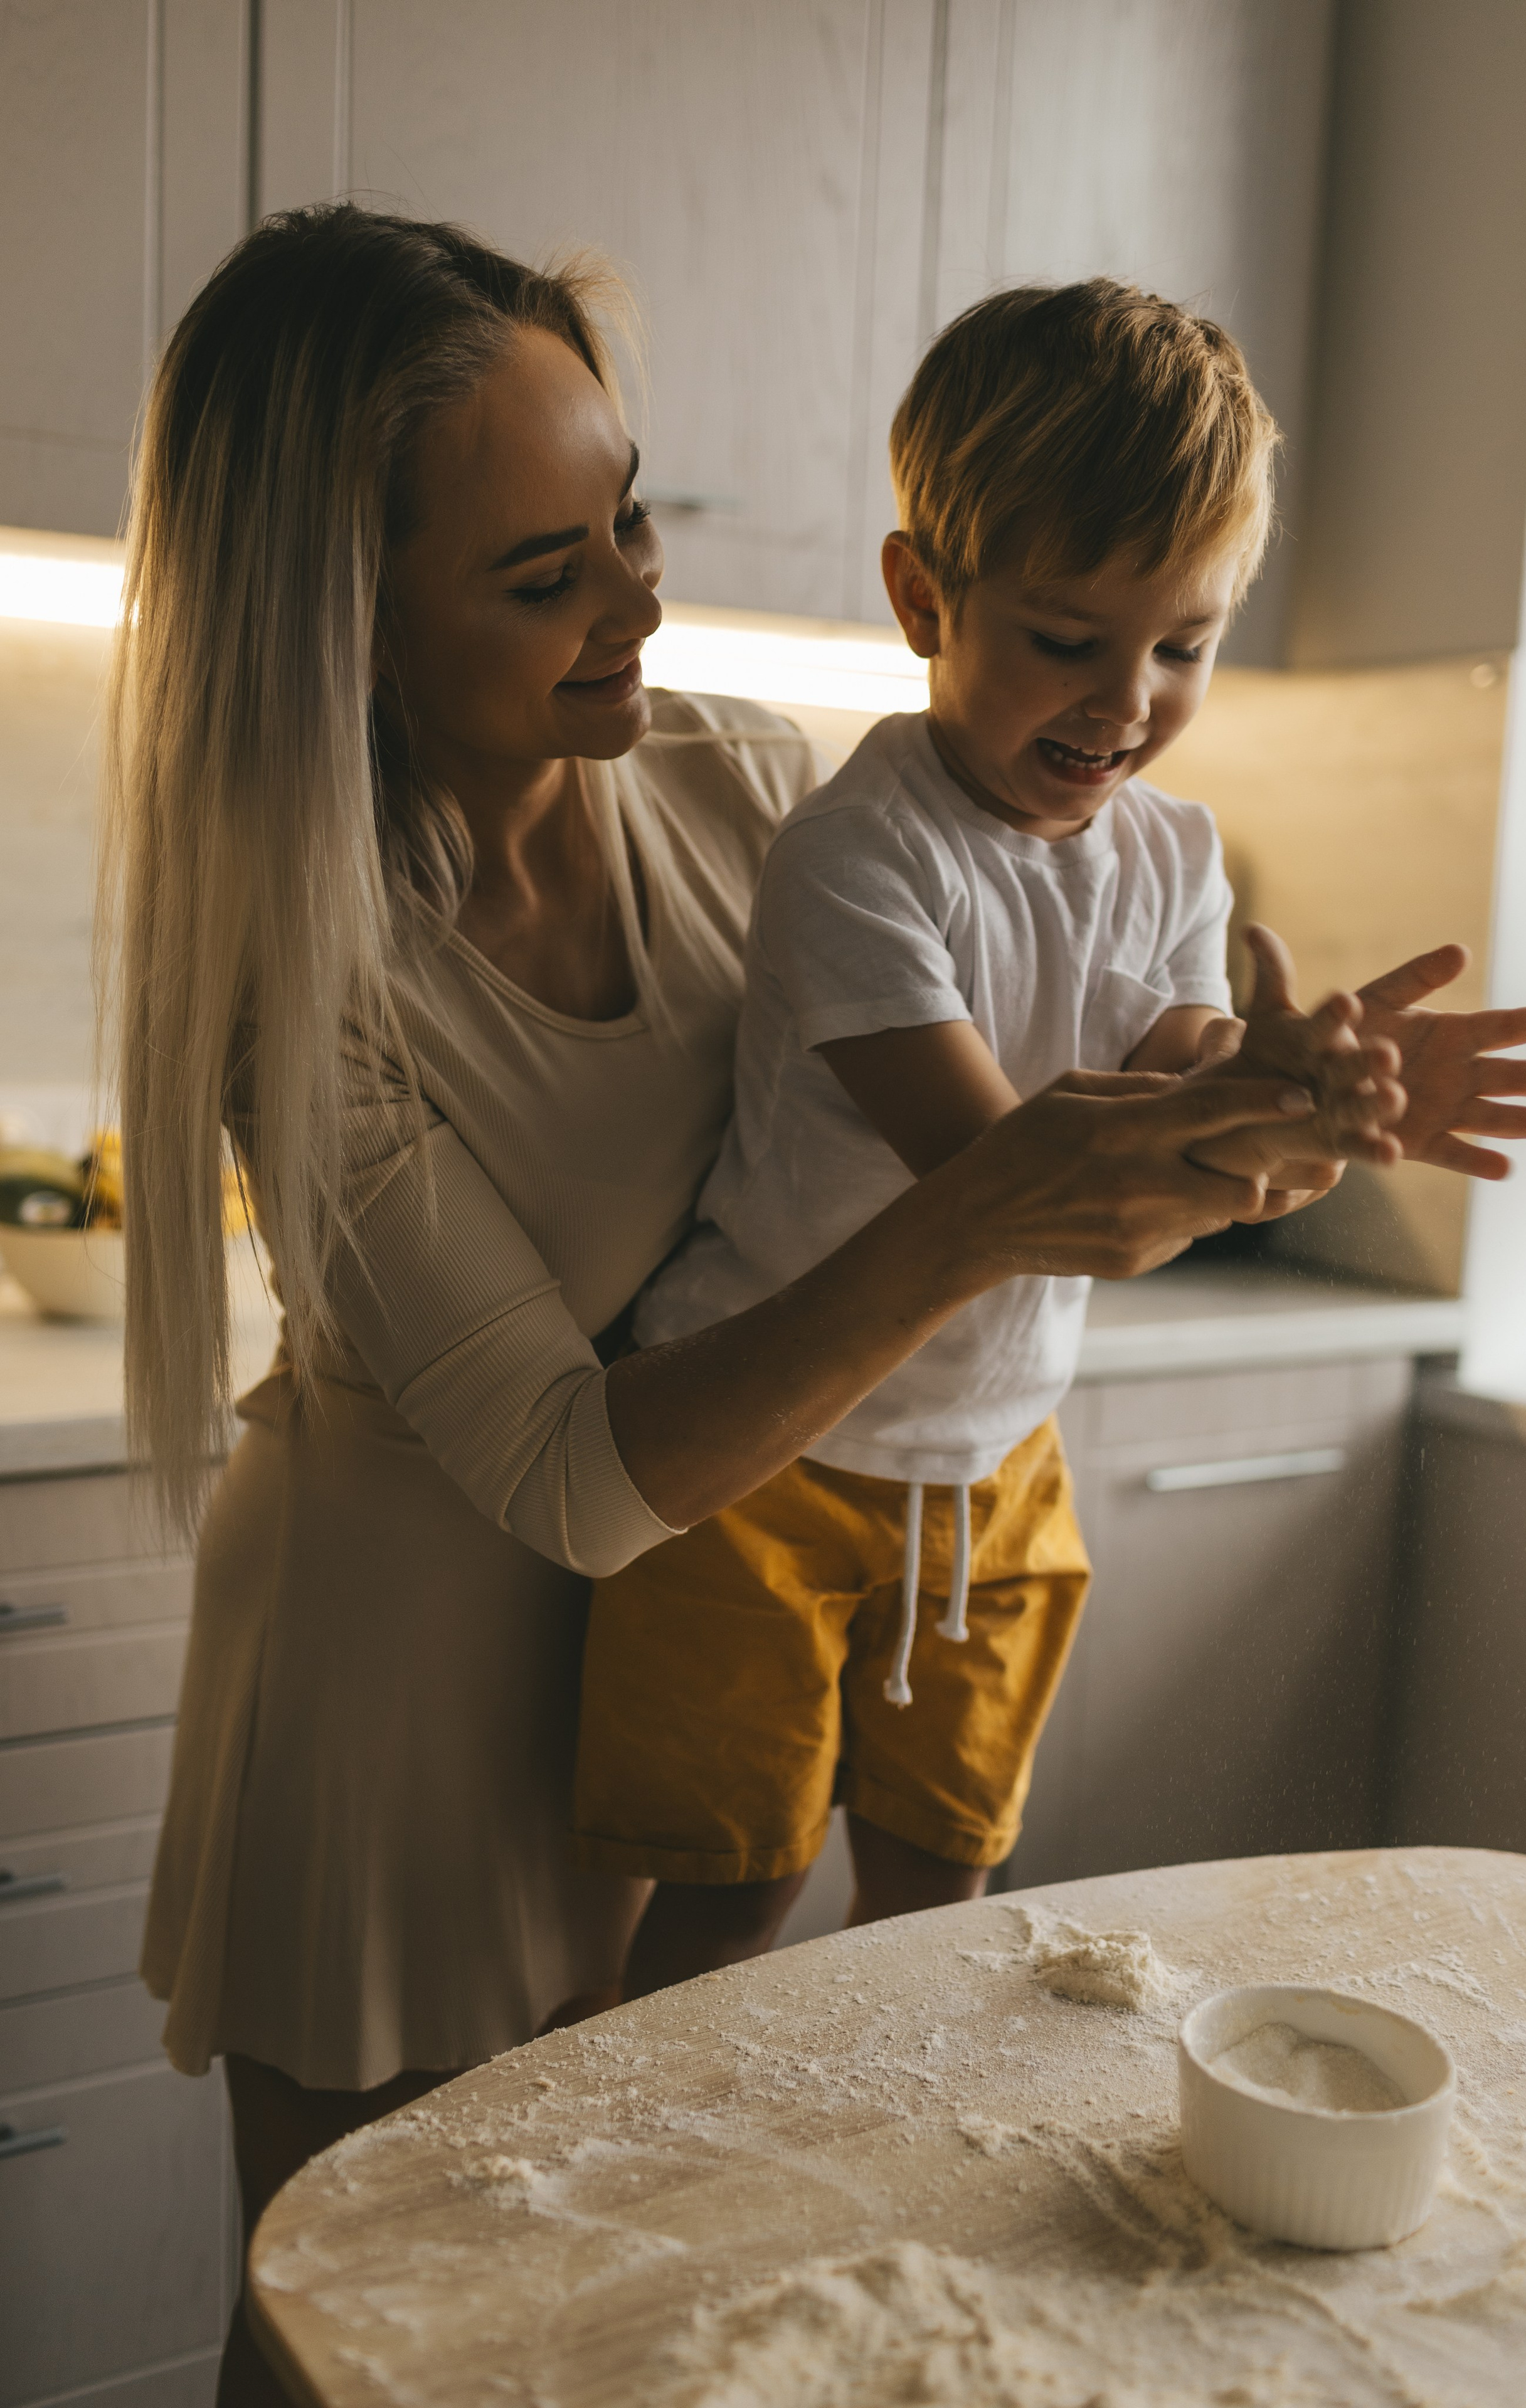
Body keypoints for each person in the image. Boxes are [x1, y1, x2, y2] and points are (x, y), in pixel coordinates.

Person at [103, 210, 1360, 2407]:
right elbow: (579, 1478)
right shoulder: (308, 999)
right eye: (544, 573)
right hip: (407, 1689)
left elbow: (1028, 1166)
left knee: (623, 2313)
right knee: (362, 2329)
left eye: (633, 519)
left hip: (698, 1625)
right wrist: (994, 1209)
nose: (641, 601)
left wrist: (1269, 1121)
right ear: (349, 627)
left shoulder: (741, 781)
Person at [572, 280, 1526, 2004]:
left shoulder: (1171, 853)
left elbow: (1171, 1046)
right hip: (763, 1466)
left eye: (1183, 647)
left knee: (947, 1900)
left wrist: (1289, 1076)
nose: (1128, 702)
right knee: (722, 1930)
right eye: (1070, 637)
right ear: (923, 595)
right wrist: (1263, 1115)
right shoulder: (860, 857)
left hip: (995, 1467)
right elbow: (1004, 1176)